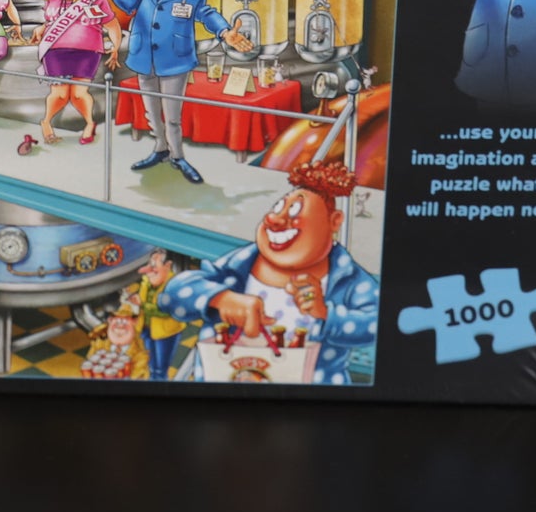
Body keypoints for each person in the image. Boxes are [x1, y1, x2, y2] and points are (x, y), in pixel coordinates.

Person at [160, 160, 380, 386]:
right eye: (277, 208)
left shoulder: (348, 279)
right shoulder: (238, 266)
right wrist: (221, 299)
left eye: (294, 210)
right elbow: (172, 296)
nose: (274, 219)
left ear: (334, 221)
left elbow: (378, 324)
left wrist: (326, 313)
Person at [106, 0, 253, 184]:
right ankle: (160, 148)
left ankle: (177, 156)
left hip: (174, 60)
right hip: (144, 57)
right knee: (152, 111)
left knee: (172, 116)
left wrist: (224, 31)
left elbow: (206, 13)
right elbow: (128, 5)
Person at [31, 0, 124, 145]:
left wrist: (116, 48)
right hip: (56, 52)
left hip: (87, 52)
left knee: (79, 94)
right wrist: (42, 28)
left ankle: (89, 123)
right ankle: (46, 122)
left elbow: (112, 26)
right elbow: (53, 21)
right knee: (60, 93)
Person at [133, 250, 187, 381]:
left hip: (165, 333)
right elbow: (142, 299)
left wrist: (142, 304)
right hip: (147, 330)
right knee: (150, 364)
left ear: (167, 265)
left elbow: (165, 310)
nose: (150, 268)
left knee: (161, 368)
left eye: (155, 264)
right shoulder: (147, 281)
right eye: (150, 263)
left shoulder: (174, 285)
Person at [81, 304, 151, 380]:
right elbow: (90, 361)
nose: (120, 327)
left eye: (125, 322)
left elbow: (140, 375)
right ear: (110, 320)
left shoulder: (141, 355)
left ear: (135, 323)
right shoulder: (99, 344)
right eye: (117, 322)